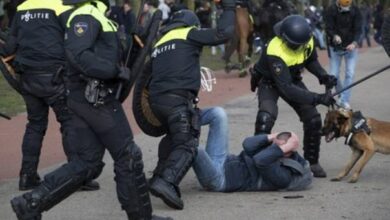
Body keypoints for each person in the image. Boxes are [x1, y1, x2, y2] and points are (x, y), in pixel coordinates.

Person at [10, 0, 170, 219]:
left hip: (88, 98)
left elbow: (112, 54)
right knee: (128, 155)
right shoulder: (85, 15)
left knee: (87, 163)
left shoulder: (99, 14)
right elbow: (78, 54)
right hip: (95, 99)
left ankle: (30, 204)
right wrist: (112, 70)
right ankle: (141, 216)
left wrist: (139, 40)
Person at [0, 0, 99, 191]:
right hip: (56, 77)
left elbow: (9, 49)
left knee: (35, 124)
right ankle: (76, 177)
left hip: (28, 78)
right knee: (69, 121)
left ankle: (27, 176)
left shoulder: (22, 9)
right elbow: (75, 41)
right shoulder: (60, 6)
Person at [147, 0, 236, 210]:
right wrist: (230, 7)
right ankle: (166, 181)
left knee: (174, 135)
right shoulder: (188, 33)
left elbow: (145, 78)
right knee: (187, 142)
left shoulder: (160, 42)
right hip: (177, 100)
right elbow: (224, 33)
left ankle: (158, 175)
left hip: (156, 102)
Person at [250, 15, 337, 178]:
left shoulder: (307, 40)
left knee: (313, 119)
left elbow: (311, 61)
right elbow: (287, 89)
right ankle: (254, 163)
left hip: (292, 78)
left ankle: (312, 162)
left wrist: (323, 76)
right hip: (270, 82)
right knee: (265, 117)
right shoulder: (274, 49)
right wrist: (317, 98)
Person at [193, 107, 312, 192]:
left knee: (194, 148)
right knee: (218, 114)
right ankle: (179, 119)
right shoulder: (274, 148)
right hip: (223, 160)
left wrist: (282, 147)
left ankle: (174, 168)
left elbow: (260, 160)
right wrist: (272, 137)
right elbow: (247, 144)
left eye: (276, 147)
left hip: (219, 180)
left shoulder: (285, 175)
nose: (272, 147)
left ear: (286, 151)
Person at [324, 0, 362, 109]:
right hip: (335, 48)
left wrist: (354, 43)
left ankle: (344, 99)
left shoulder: (356, 10)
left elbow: (359, 30)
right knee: (334, 75)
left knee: (350, 73)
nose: (347, 7)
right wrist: (334, 36)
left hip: (351, 47)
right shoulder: (331, 10)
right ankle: (341, 93)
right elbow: (328, 28)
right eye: (345, 5)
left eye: (349, 4)